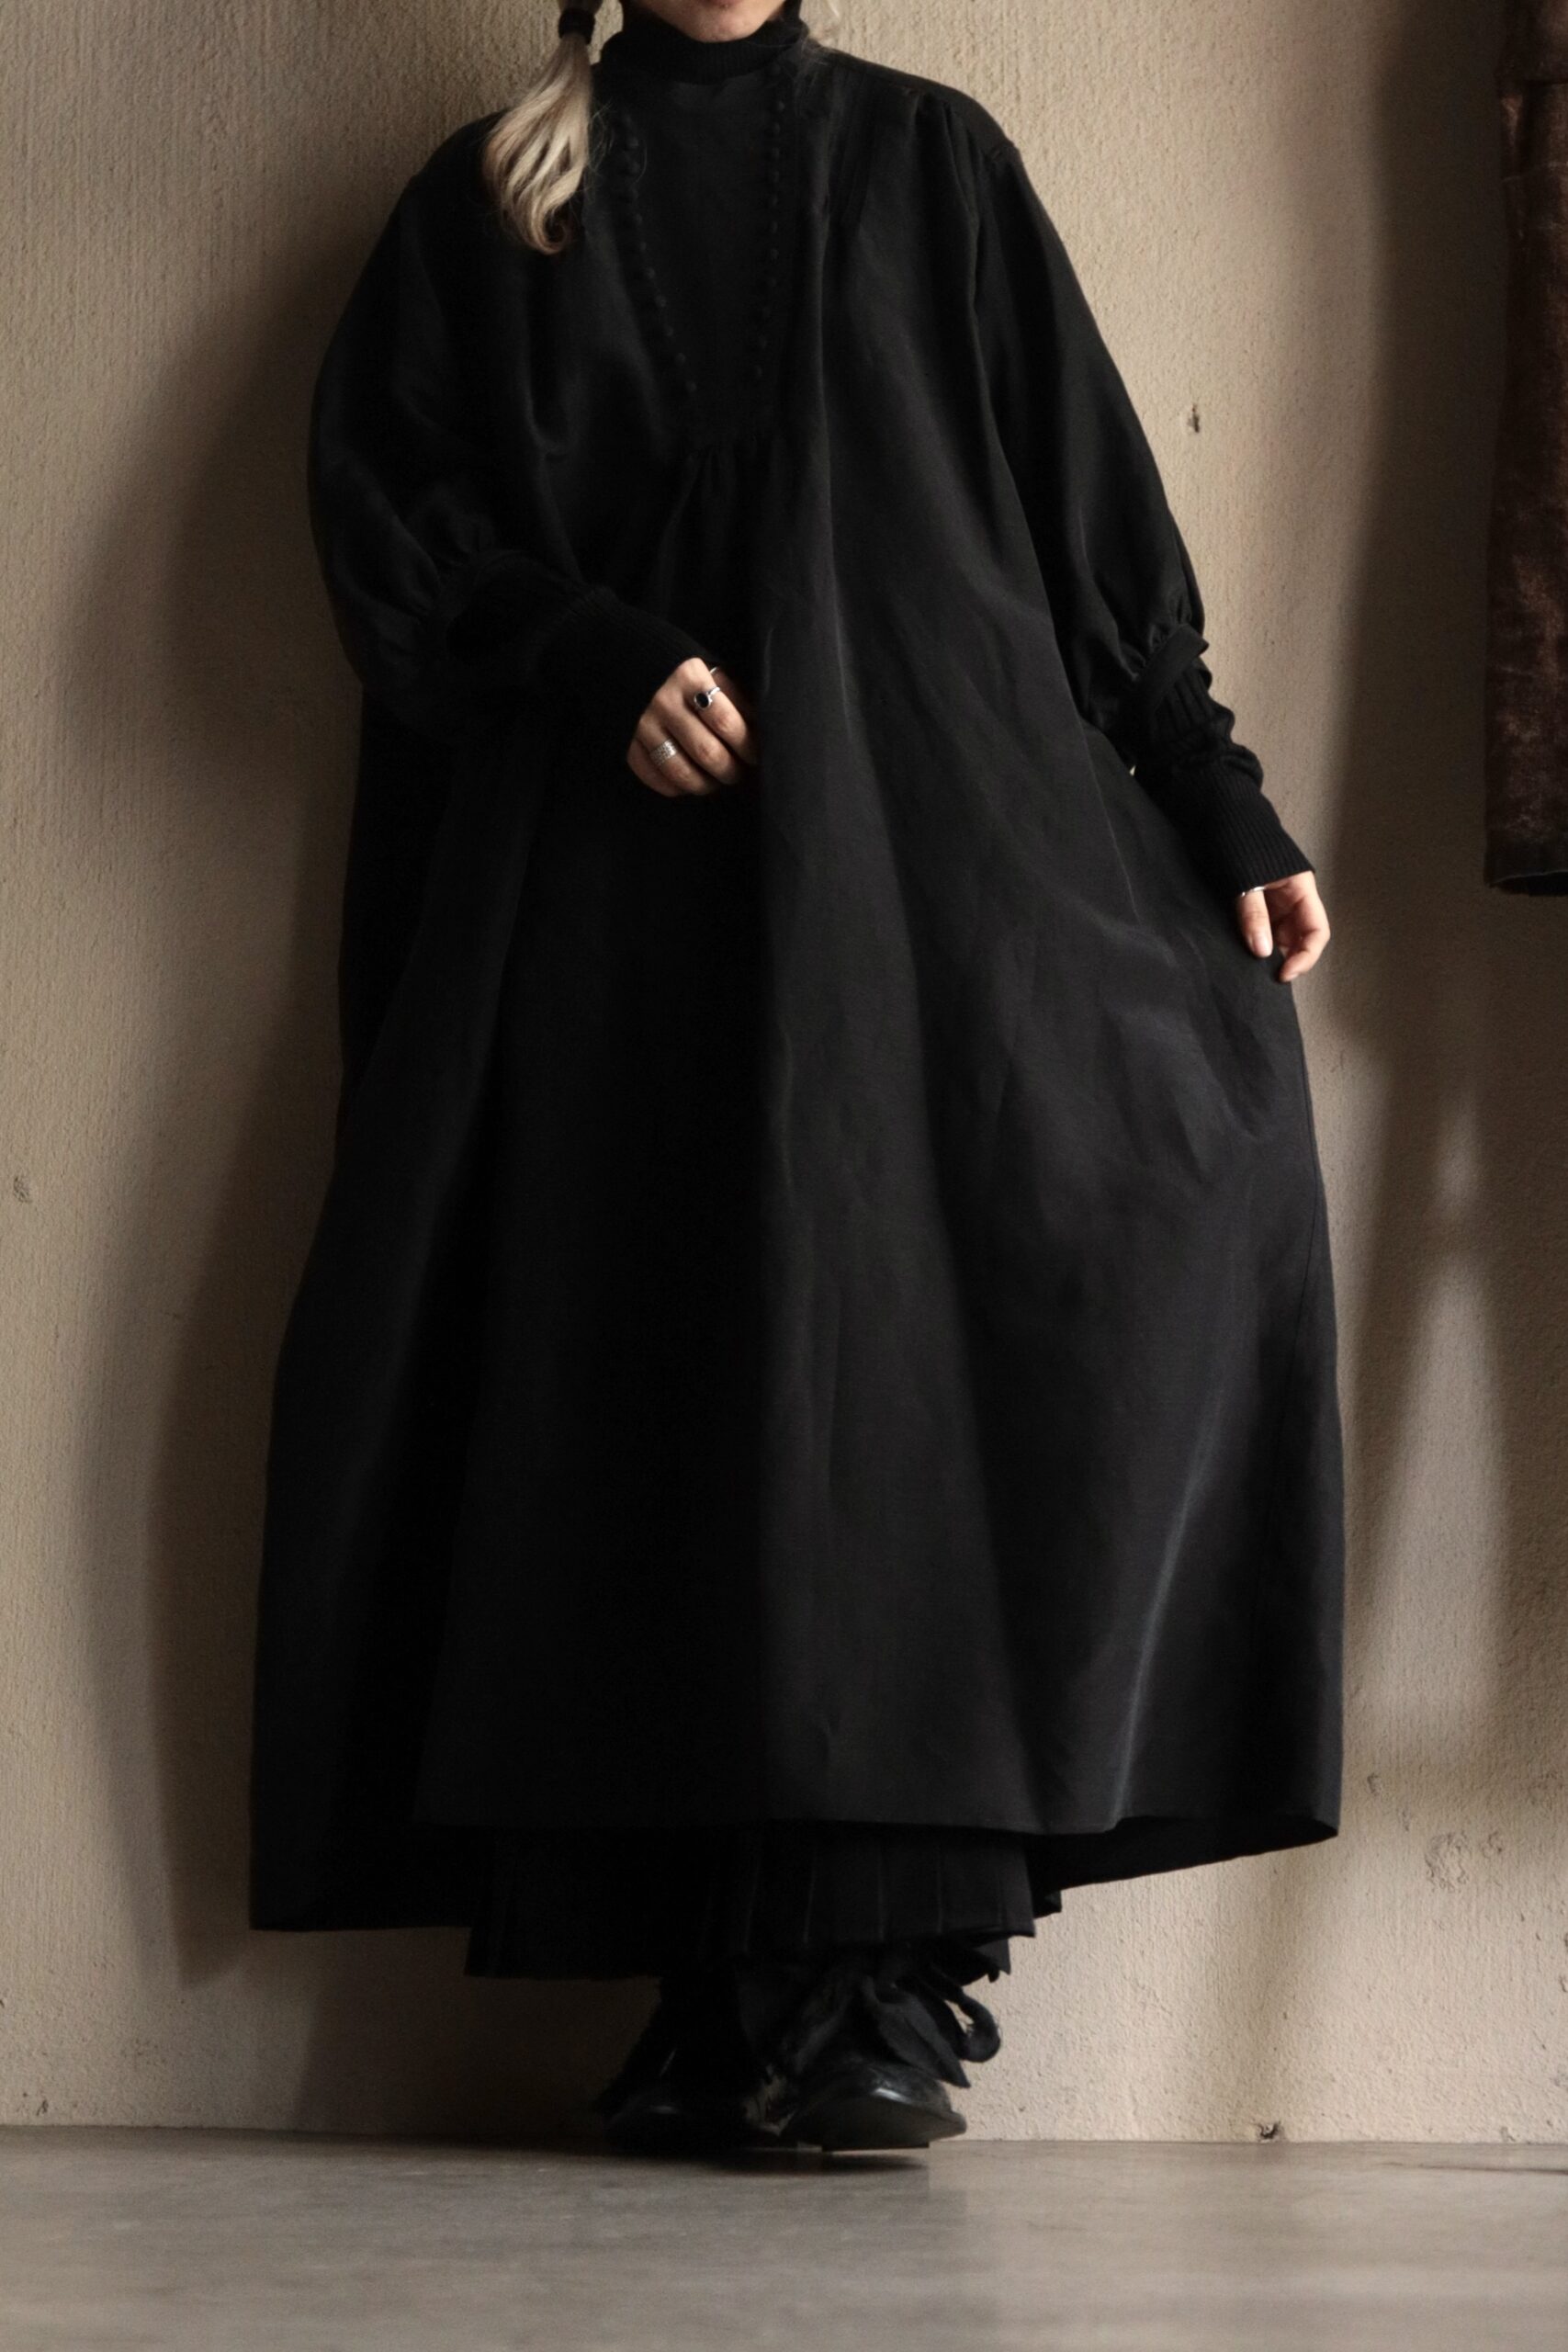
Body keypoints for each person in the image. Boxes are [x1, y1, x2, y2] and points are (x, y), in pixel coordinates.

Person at [248, 0, 1344, 2156]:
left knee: (905, 1384)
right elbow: (394, 523)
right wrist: (586, 649)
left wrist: (1213, 798)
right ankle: (719, 1997)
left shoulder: (936, 168)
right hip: (613, 928)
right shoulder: (492, 203)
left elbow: (1082, 515)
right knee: (658, 1391)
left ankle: (860, 1994)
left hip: (927, 898)